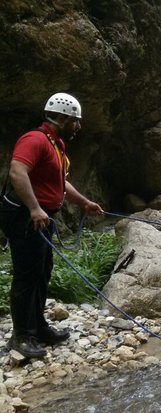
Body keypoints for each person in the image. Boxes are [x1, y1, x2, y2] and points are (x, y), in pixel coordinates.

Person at [0, 93, 104, 358]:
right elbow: (17, 171)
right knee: (27, 275)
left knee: (42, 270)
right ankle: (22, 336)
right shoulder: (35, 140)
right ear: (61, 118)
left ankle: (38, 327)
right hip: (25, 216)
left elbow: (61, 182)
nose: (78, 126)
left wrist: (84, 203)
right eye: (75, 121)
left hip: (41, 217)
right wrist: (35, 208)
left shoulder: (55, 144)